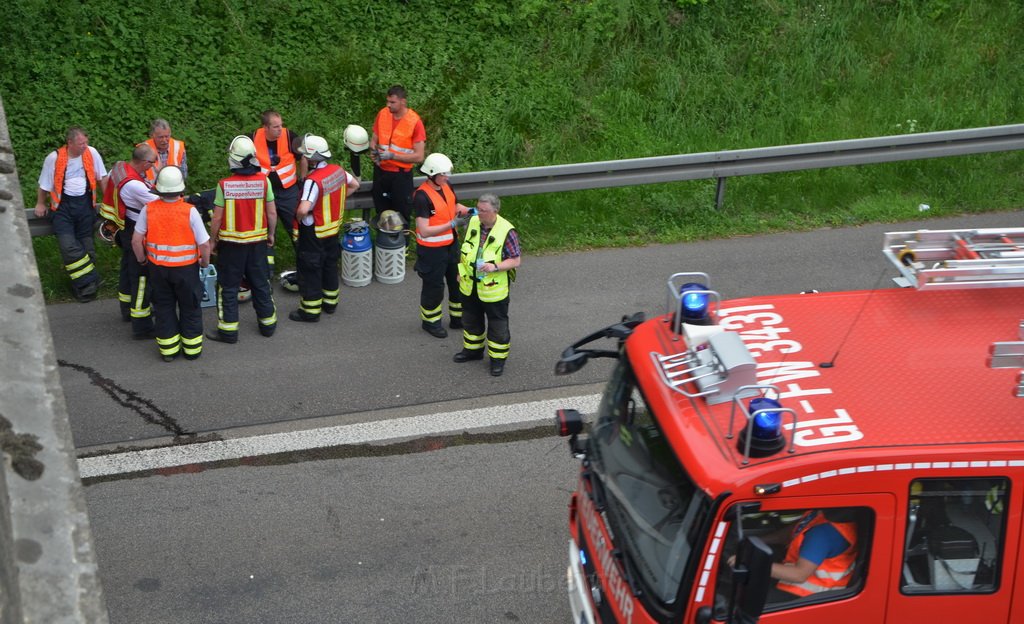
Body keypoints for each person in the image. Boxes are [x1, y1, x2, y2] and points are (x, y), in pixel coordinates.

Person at [131, 166, 211, 362]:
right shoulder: (189, 211)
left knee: (164, 308)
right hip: (186, 271)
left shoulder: (148, 210)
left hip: (158, 270)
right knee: (190, 307)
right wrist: (204, 263)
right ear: (180, 189)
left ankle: (168, 351)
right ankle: (192, 351)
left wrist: (142, 260)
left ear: (159, 189)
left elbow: (136, 240)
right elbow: (205, 244)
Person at [206, 136, 278, 343]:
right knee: (261, 283)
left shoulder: (224, 185)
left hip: (231, 246)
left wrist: (212, 241)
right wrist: (270, 234)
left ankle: (228, 331)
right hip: (257, 244)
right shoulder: (264, 181)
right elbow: (271, 213)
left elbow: (217, 217)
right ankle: (268, 325)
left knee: (228, 287)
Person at [288, 134, 360, 322]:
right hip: (332, 230)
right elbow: (355, 185)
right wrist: (335, 202)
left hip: (314, 232)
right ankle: (330, 303)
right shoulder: (337, 171)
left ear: (310, 158)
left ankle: (310, 311)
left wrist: (298, 216)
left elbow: (304, 208)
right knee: (329, 265)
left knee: (310, 269)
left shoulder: (313, 181)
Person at [34, 126, 108, 302]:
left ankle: (85, 287)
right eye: (81, 143)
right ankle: (90, 281)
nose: (84, 146)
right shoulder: (54, 158)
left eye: (86, 142)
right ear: (70, 143)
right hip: (62, 210)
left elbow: (102, 178)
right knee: (68, 247)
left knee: (87, 247)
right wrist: (40, 203)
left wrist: (108, 202)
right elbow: (44, 184)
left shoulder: (91, 153)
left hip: (85, 206)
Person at [453, 193, 521, 376]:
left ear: (495, 211)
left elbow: (515, 260)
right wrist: (460, 272)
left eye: (484, 211)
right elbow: (466, 249)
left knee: (497, 325)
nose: (479, 214)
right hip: (470, 285)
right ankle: (473, 351)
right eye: (478, 209)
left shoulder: (507, 231)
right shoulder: (474, 222)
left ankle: (497, 360)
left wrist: (495, 267)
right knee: (470, 320)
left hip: (493, 289)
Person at [729, 509, 858, 601]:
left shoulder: (823, 533)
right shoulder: (819, 515)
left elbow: (799, 575)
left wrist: (749, 562)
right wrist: (757, 540)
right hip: (795, 584)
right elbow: (790, 533)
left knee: (741, 601)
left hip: (808, 597)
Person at [99, 144, 159, 336]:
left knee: (127, 270)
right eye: (152, 163)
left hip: (123, 227)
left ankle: (126, 310)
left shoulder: (119, 168)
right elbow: (159, 203)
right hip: (135, 229)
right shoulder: (134, 185)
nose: (153, 166)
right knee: (141, 276)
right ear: (143, 162)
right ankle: (142, 324)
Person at [413, 153, 471, 338]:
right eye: (443, 174)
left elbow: (453, 206)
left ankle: (457, 318)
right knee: (434, 287)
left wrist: (470, 211)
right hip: (432, 251)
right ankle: (431, 322)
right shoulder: (422, 196)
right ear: (432, 174)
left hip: (451, 245)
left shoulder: (446, 186)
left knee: (457, 282)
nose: (447, 177)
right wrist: (453, 224)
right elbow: (424, 230)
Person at [251, 110, 306, 285]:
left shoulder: (290, 136)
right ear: (265, 127)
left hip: (288, 192)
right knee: (265, 234)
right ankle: (266, 276)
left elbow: (303, 157)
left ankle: (305, 270)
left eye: (281, 125)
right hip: (263, 193)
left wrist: (302, 181)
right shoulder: (252, 138)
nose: (280, 129)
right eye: (275, 127)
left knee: (296, 230)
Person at [370, 85, 426, 225]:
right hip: (381, 173)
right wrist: (374, 152)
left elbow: (419, 156)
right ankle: (384, 244)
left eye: (392, 102)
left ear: (403, 102)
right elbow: (374, 139)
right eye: (387, 101)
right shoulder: (383, 114)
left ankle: (403, 245)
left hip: (401, 177)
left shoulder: (414, 122)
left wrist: (392, 156)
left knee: (401, 216)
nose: (388, 105)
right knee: (382, 215)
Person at [140, 118, 187, 185]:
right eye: (161, 137)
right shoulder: (144, 149)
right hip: (150, 190)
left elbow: (183, 174)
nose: (164, 140)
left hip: (174, 188)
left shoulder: (179, 147)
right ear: (152, 135)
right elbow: (139, 175)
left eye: (167, 136)